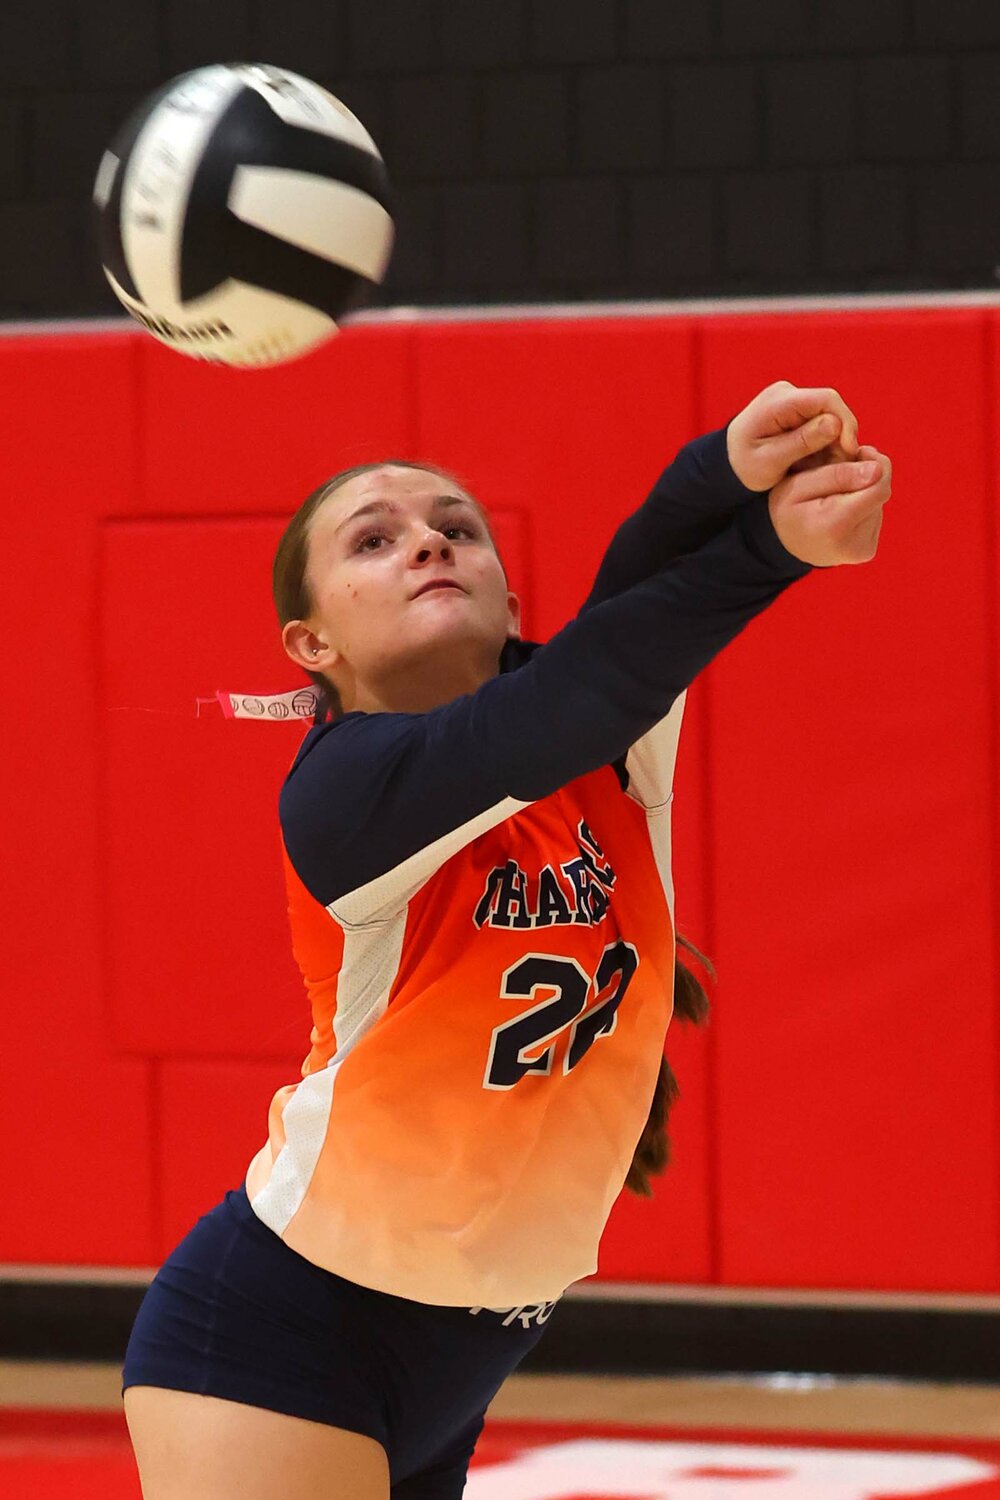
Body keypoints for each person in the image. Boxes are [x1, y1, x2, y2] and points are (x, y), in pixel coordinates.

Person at [120, 379, 891, 1500]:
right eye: (375, 540)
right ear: (312, 640)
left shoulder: (604, 746)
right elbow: (583, 685)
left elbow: (626, 614)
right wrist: (773, 547)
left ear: (506, 587)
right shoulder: (347, 791)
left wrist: (726, 468)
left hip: (469, 1345)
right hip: (281, 1330)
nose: (426, 541)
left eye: (456, 527)